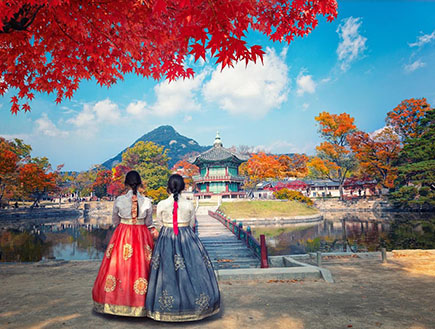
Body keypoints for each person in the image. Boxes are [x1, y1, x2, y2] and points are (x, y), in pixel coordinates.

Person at [146, 174, 220, 322]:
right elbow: (192, 223)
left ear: (168, 187)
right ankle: (193, 306)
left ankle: (166, 309)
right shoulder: (188, 204)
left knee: (165, 272)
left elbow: (159, 224)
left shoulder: (161, 204)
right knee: (194, 270)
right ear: (183, 188)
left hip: (166, 237)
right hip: (187, 237)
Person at [92, 170, 158, 316]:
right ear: (140, 183)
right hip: (141, 235)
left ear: (126, 184)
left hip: (123, 234)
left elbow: (115, 220)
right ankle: (142, 304)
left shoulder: (119, 200)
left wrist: (123, 225)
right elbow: (149, 222)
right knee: (142, 266)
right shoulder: (147, 201)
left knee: (118, 266)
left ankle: (115, 302)